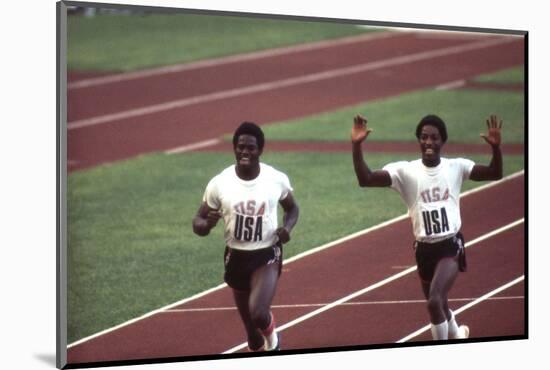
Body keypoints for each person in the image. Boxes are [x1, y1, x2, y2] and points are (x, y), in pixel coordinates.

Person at [350, 113, 503, 340]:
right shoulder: (406, 171)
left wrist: (496, 149)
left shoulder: (456, 167)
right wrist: (356, 146)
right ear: (418, 140)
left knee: (434, 302)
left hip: (450, 246)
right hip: (423, 249)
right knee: (440, 303)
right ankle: (458, 334)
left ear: (443, 141)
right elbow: (366, 179)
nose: (429, 142)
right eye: (424, 137)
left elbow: (495, 173)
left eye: (434, 138)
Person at [193, 122, 299, 351]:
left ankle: (274, 342)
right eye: (240, 147)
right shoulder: (219, 183)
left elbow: (292, 209)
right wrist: (207, 225)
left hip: (267, 253)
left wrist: (287, 229)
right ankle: (258, 341)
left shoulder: (274, 179)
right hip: (235, 255)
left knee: (259, 312)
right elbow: (197, 223)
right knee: (252, 337)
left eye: (250, 148)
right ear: (234, 148)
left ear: (260, 150)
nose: (245, 152)